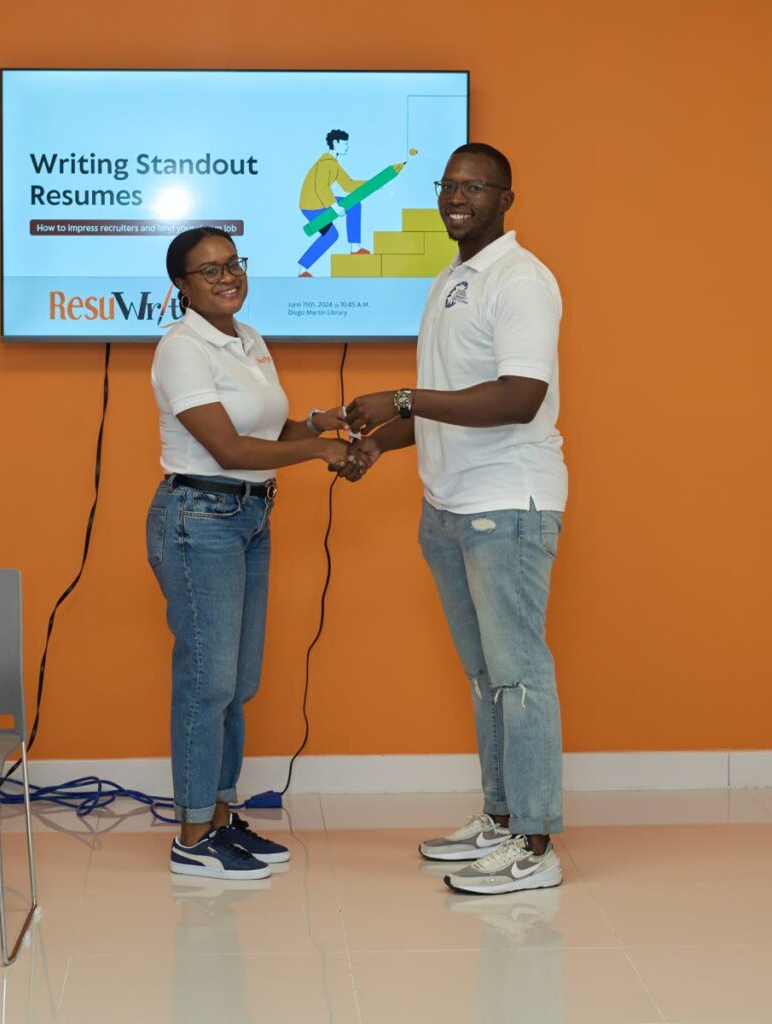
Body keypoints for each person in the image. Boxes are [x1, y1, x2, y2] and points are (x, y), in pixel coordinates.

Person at [343, 143, 567, 896]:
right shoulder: (450, 279)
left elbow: (518, 397)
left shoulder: (520, 280)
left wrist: (403, 400)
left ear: (507, 197)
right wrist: (378, 441)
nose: (455, 197)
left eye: (474, 186)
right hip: (448, 507)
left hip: (506, 504)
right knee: (485, 678)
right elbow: (451, 402)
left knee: (519, 678)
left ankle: (534, 846)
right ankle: (500, 819)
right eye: (448, 185)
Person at [147, 226, 365, 880]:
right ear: (181, 286)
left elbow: (268, 433)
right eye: (207, 271)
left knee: (238, 681)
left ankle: (218, 816)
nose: (225, 277)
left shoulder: (247, 338)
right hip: (198, 517)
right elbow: (230, 451)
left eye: (232, 264)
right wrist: (317, 452)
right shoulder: (181, 348)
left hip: (248, 516)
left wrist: (316, 427)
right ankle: (191, 839)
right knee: (206, 681)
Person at [297, 129, 371, 277]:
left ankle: (354, 247)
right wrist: (335, 206)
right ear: (335, 143)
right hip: (312, 206)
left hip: (322, 202)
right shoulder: (326, 163)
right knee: (331, 235)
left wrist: (371, 184)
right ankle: (302, 269)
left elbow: (348, 184)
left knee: (355, 204)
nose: (347, 147)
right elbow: (321, 187)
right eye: (344, 143)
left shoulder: (333, 164)